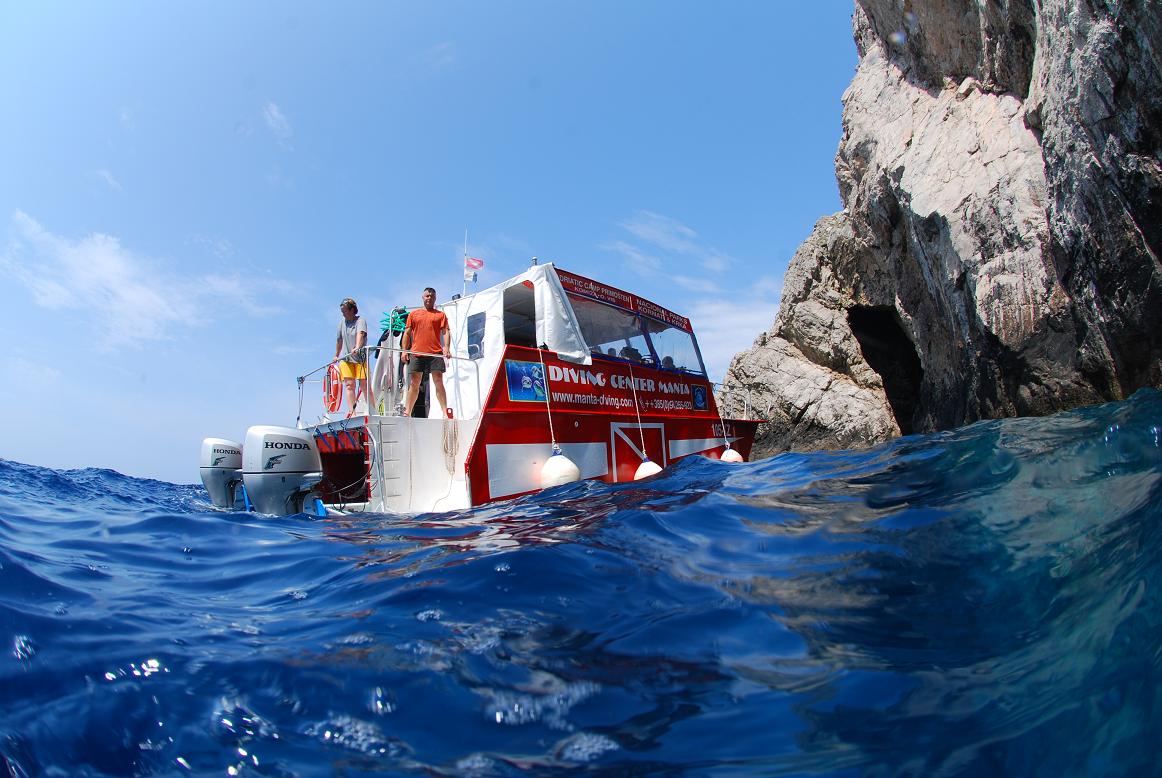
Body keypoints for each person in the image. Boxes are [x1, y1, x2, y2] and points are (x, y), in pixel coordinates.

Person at [401, 287, 451, 417]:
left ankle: (445, 412)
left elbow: (445, 331)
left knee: (438, 381)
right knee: (414, 383)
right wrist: (404, 351)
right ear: (423, 297)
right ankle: (407, 411)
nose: (429, 298)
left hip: (435, 353)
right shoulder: (413, 314)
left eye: (432, 296)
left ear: (435, 298)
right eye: (427, 296)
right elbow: (407, 333)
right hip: (417, 353)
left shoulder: (440, 315)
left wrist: (446, 347)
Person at [333, 297, 370, 417]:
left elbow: (361, 334)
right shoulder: (342, 323)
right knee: (349, 384)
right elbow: (339, 340)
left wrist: (357, 347)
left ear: (352, 310)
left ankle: (371, 409)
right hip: (346, 358)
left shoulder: (360, 320)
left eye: (345, 311)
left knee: (364, 384)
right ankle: (352, 413)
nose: (343, 314)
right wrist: (336, 355)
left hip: (360, 358)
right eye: (342, 312)